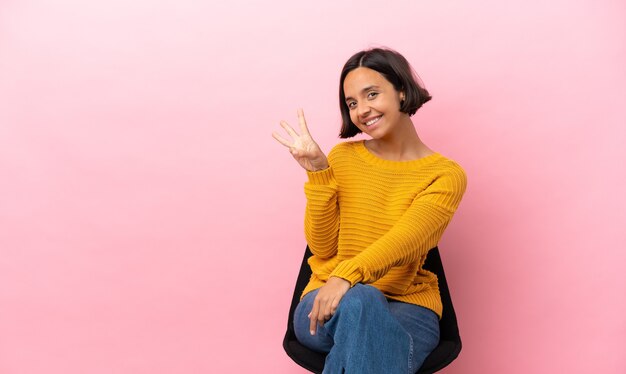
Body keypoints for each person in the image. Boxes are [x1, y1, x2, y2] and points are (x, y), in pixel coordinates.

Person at [272, 47, 467, 374]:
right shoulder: (343, 158)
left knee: (364, 313)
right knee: (362, 305)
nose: (361, 110)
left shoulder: (445, 175)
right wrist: (319, 172)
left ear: (401, 91)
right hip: (325, 304)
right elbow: (322, 248)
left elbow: (407, 239)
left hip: (408, 306)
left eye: (371, 94)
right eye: (352, 103)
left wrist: (347, 277)